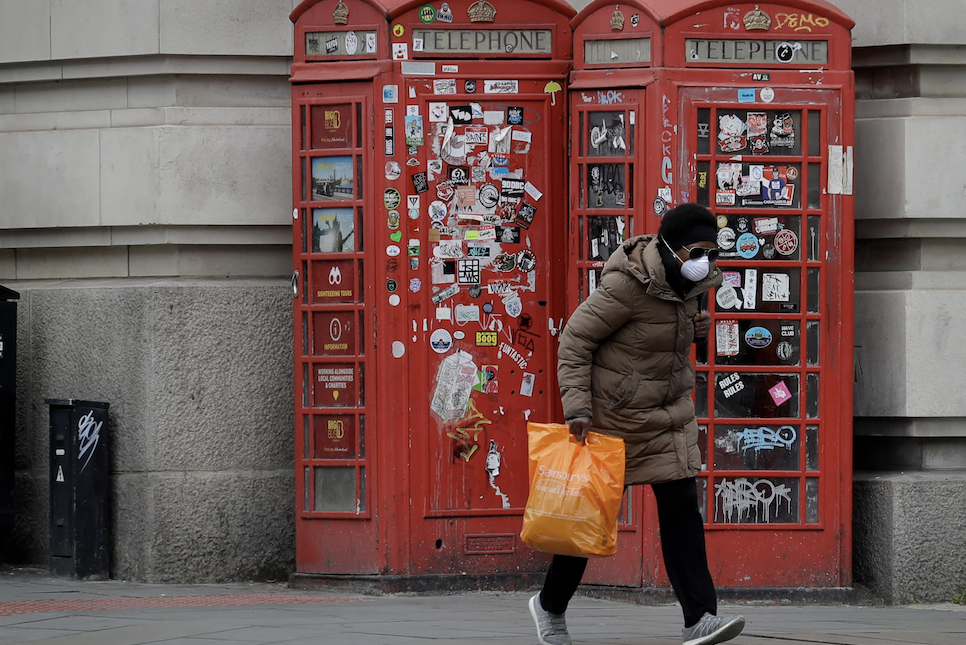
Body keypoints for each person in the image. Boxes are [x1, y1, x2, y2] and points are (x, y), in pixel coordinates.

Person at [528, 204, 745, 645]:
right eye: (696, 250)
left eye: (711, 251)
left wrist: (698, 332)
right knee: (587, 524)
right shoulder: (626, 285)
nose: (706, 260)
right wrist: (578, 410)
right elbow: (574, 341)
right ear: (669, 248)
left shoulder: (696, 283)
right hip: (614, 421)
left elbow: (668, 341)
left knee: (682, 511)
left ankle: (699, 618)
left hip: (668, 419)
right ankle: (549, 606)